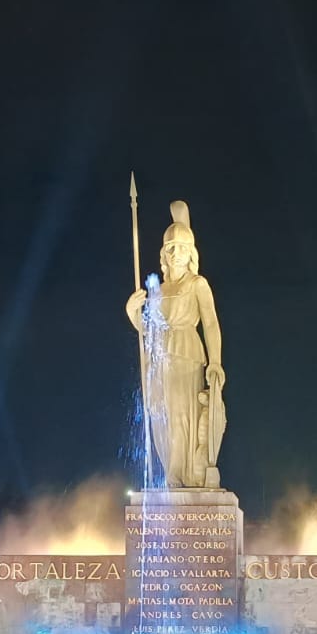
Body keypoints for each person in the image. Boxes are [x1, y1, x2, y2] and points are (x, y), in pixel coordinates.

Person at [125, 200, 226, 488]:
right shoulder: (158, 291)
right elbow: (151, 332)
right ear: (164, 254)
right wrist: (132, 313)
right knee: (162, 415)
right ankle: (171, 472)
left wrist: (216, 361)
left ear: (191, 252)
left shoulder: (197, 284)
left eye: (183, 248)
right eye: (171, 249)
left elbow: (210, 324)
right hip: (161, 357)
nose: (177, 254)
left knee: (182, 414)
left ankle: (185, 474)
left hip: (186, 351)